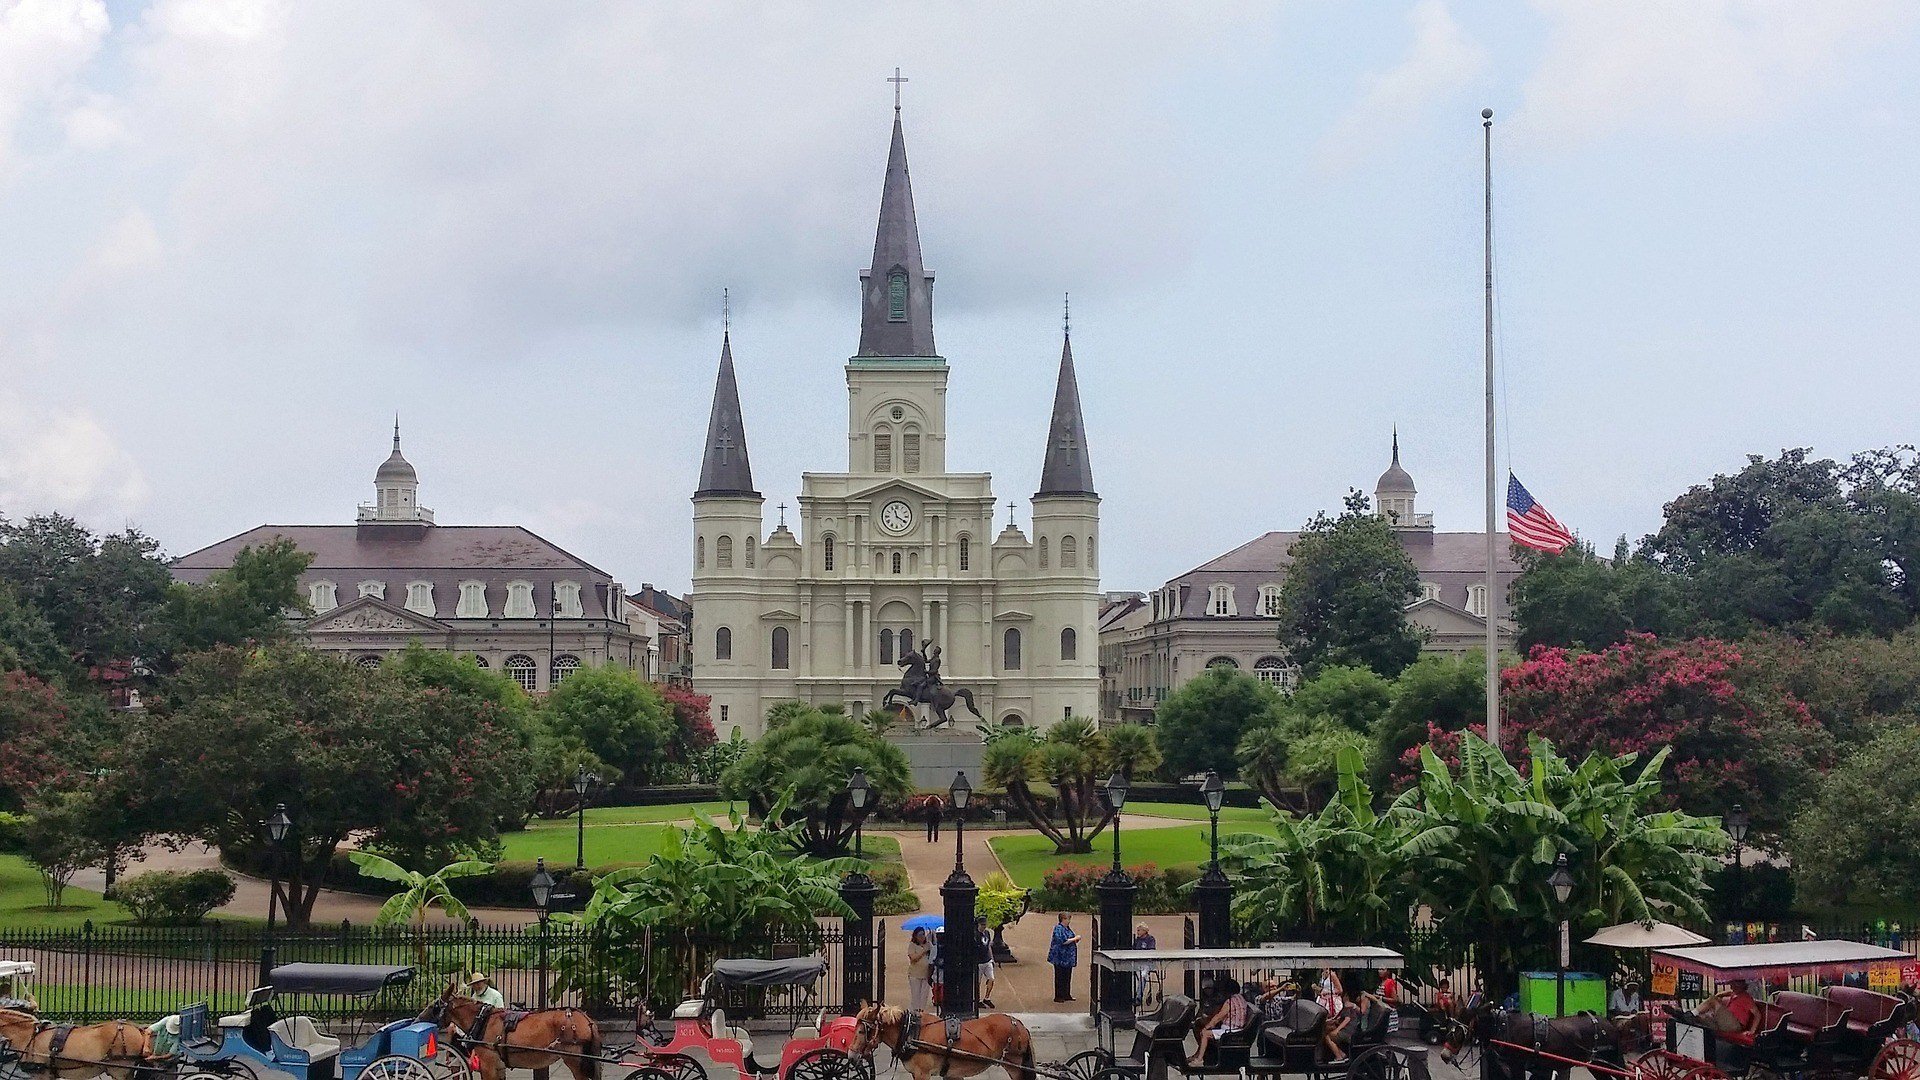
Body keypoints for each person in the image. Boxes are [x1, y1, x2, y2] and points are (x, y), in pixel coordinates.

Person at [1191, 977, 1251, 1066]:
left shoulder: (1229, 1002)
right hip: (1238, 1028)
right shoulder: (1241, 999)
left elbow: (1219, 1017)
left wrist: (1207, 1027)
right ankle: (1199, 1054)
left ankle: (1199, 1059)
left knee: (1205, 1033)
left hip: (1231, 1030)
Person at [1694, 979, 1761, 1043]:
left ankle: (1692, 1013)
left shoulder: (1746, 998)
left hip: (1734, 1025)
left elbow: (1757, 1015)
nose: (1731, 986)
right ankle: (1691, 1016)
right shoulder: (1734, 994)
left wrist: (1751, 1032)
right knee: (1700, 1017)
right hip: (1725, 1023)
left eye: (1734, 984)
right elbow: (1726, 993)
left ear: (1741, 985)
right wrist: (1718, 996)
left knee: (1713, 1000)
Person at [1048, 913, 1081, 1003]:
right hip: (1060, 956)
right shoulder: (1058, 928)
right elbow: (1063, 941)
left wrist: (1074, 939)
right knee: (1060, 976)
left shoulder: (1067, 929)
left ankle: (1066, 994)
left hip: (1067, 957)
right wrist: (1075, 939)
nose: (1069, 921)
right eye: (1067, 919)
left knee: (1067, 975)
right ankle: (1058, 995)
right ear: (1063, 919)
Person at [1322, 991, 1360, 1065]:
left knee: (1327, 1037)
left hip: (1348, 1031)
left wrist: (1337, 1030)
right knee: (1326, 1030)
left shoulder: (1347, 1006)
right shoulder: (1344, 1006)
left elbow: (1347, 1019)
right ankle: (1341, 1053)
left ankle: (1339, 1056)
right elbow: (1339, 1018)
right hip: (1348, 1029)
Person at [907, 928, 933, 1013]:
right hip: (915, 974)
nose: (922, 937)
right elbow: (913, 958)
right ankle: (915, 1011)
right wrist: (923, 951)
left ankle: (922, 1010)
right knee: (916, 994)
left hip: (926, 973)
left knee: (924, 994)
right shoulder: (912, 945)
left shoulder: (928, 944)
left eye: (923, 934)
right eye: (919, 935)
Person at [1132, 923, 1159, 1005]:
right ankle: (1134, 995)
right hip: (1137, 962)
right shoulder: (1137, 940)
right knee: (1132, 975)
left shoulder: (1150, 939)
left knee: (1142, 975)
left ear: (1144, 931)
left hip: (1147, 963)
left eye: (1139, 930)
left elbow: (1151, 951)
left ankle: (1138, 997)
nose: (1137, 932)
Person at [976, 915, 998, 1009]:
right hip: (979, 962)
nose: (984, 926)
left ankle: (987, 998)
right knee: (978, 982)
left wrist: (992, 958)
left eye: (985, 925)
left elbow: (988, 946)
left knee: (991, 979)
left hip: (987, 960)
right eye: (982, 925)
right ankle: (977, 1000)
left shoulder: (987, 933)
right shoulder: (975, 935)